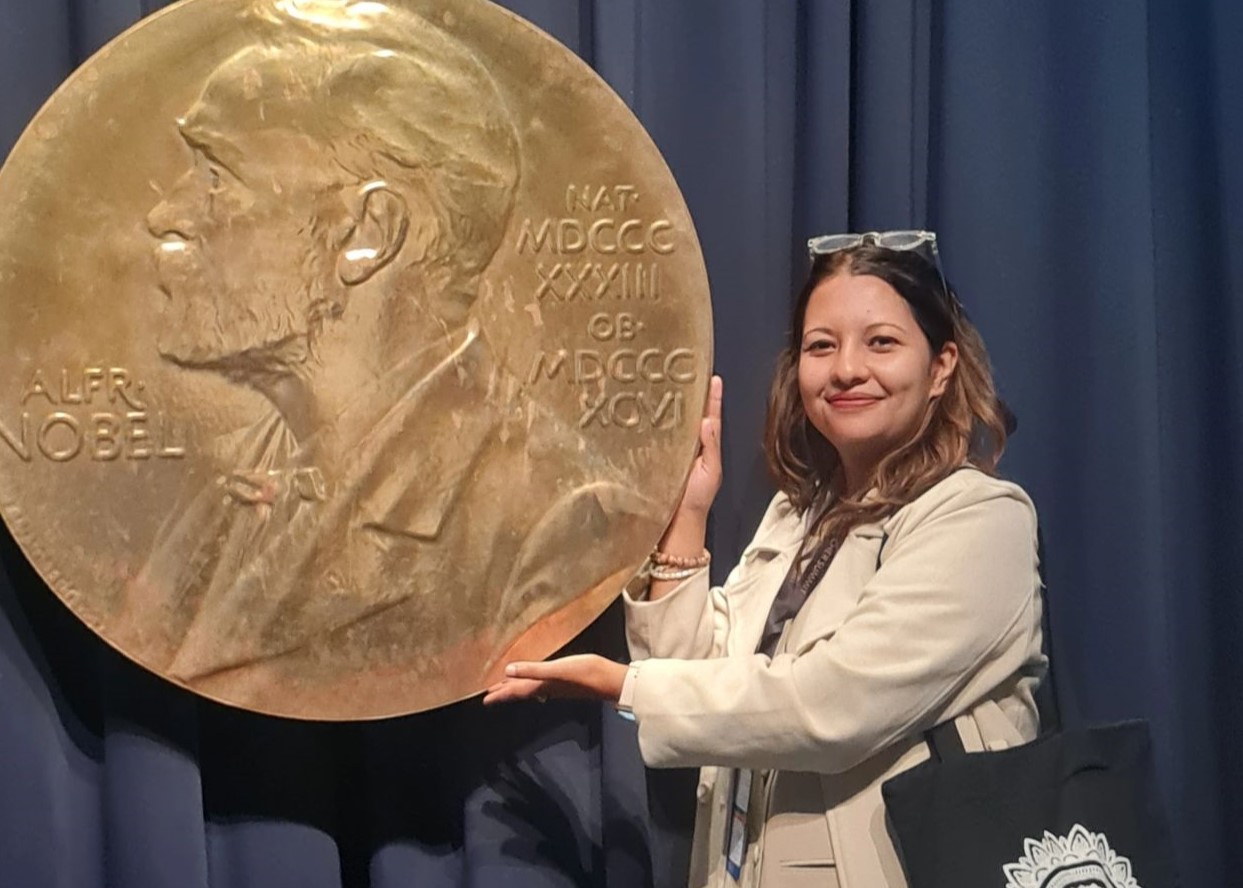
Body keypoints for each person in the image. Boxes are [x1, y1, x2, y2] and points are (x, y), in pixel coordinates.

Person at [120, 0, 659, 714]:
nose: (169, 215)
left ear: (366, 231)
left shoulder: (560, 524)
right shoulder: (227, 502)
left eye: (217, 176)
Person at [486, 231, 1047, 888]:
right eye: (820, 346)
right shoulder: (797, 513)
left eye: (881, 343)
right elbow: (693, 676)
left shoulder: (978, 518)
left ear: (941, 365)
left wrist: (620, 687)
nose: (845, 369)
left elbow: (834, 704)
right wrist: (688, 513)